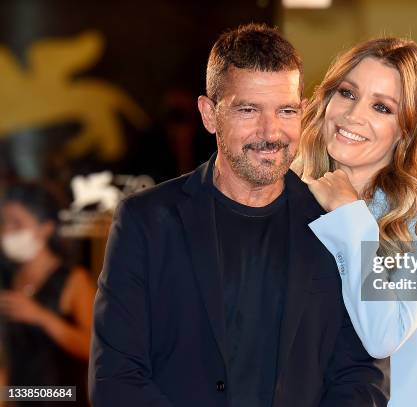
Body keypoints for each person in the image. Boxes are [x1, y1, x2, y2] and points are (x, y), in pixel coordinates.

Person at [88, 24, 388, 407]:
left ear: (304, 112)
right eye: (248, 110)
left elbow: (362, 375)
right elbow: (116, 377)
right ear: (210, 114)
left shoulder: (337, 223)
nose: (271, 131)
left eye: (286, 111)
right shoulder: (146, 221)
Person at [294, 38, 417, 406]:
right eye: (347, 93)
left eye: (381, 107)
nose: (353, 115)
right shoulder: (292, 196)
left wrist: (348, 212)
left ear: (408, 129)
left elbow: (383, 334)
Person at [0, 182, 95, 406]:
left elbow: (93, 349)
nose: (6, 232)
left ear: (46, 227)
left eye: (17, 223)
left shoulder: (74, 279)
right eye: (4, 223)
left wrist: (41, 317)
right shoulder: (9, 278)